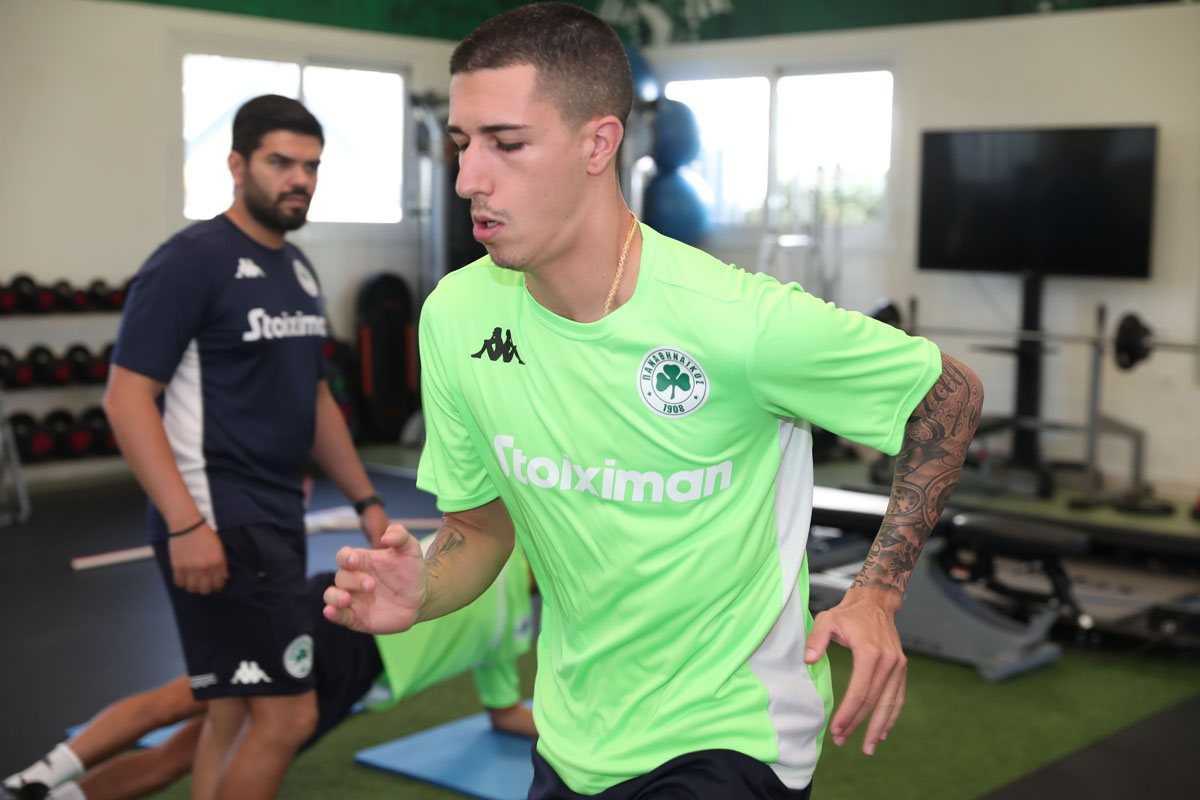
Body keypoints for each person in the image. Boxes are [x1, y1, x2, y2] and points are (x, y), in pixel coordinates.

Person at [323, 4, 985, 799]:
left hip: (733, 736)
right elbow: (479, 530)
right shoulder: (456, 317)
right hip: (575, 738)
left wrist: (877, 591)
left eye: (507, 143)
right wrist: (424, 589)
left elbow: (947, 393)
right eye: (463, 144)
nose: (469, 179)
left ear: (598, 144)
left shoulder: (736, 320)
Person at [102, 95, 389, 800]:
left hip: (274, 517)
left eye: (311, 166)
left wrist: (367, 501)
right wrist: (185, 525)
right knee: (289, 717)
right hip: (220, 521)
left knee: (229, 711)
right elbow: (126, 399)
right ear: (237, 165)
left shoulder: (299, 269)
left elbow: (314, 399)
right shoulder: (189, 263)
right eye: (280, 162)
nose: (300, 180)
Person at [3, 548, 536, 800]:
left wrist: (566, 729)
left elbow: (504, 713)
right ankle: (37, 777)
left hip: (353, 681)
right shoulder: (489, 546)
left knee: (193, 748)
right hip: (332, 618)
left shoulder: (521, 630)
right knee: (189, 696)